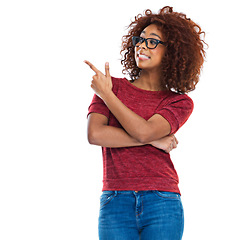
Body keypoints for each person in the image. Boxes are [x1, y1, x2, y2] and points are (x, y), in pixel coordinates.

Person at [85, 6, 206, 240]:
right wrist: (156, 141)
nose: (141, 45)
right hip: (114, 199)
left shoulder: (179, 102)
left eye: (152, 42)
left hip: (162, 200)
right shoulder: (113, 85)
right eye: (140, 40)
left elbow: (144, 132)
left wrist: (108, 96)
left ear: (172, 52)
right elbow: (95, 135)